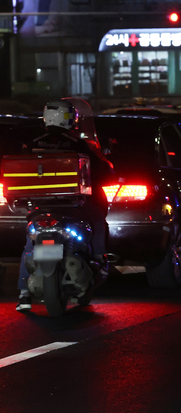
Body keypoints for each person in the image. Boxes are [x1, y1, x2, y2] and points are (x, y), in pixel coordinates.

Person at [14, 100, 114, 312]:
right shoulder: (77, 144)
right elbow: (101, 172)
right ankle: (99, 259)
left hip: (40, 208)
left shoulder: (31, 144)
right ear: (68, 120)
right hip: (72, 207)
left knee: (30, 244)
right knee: (97, 219)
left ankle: (23, 294)